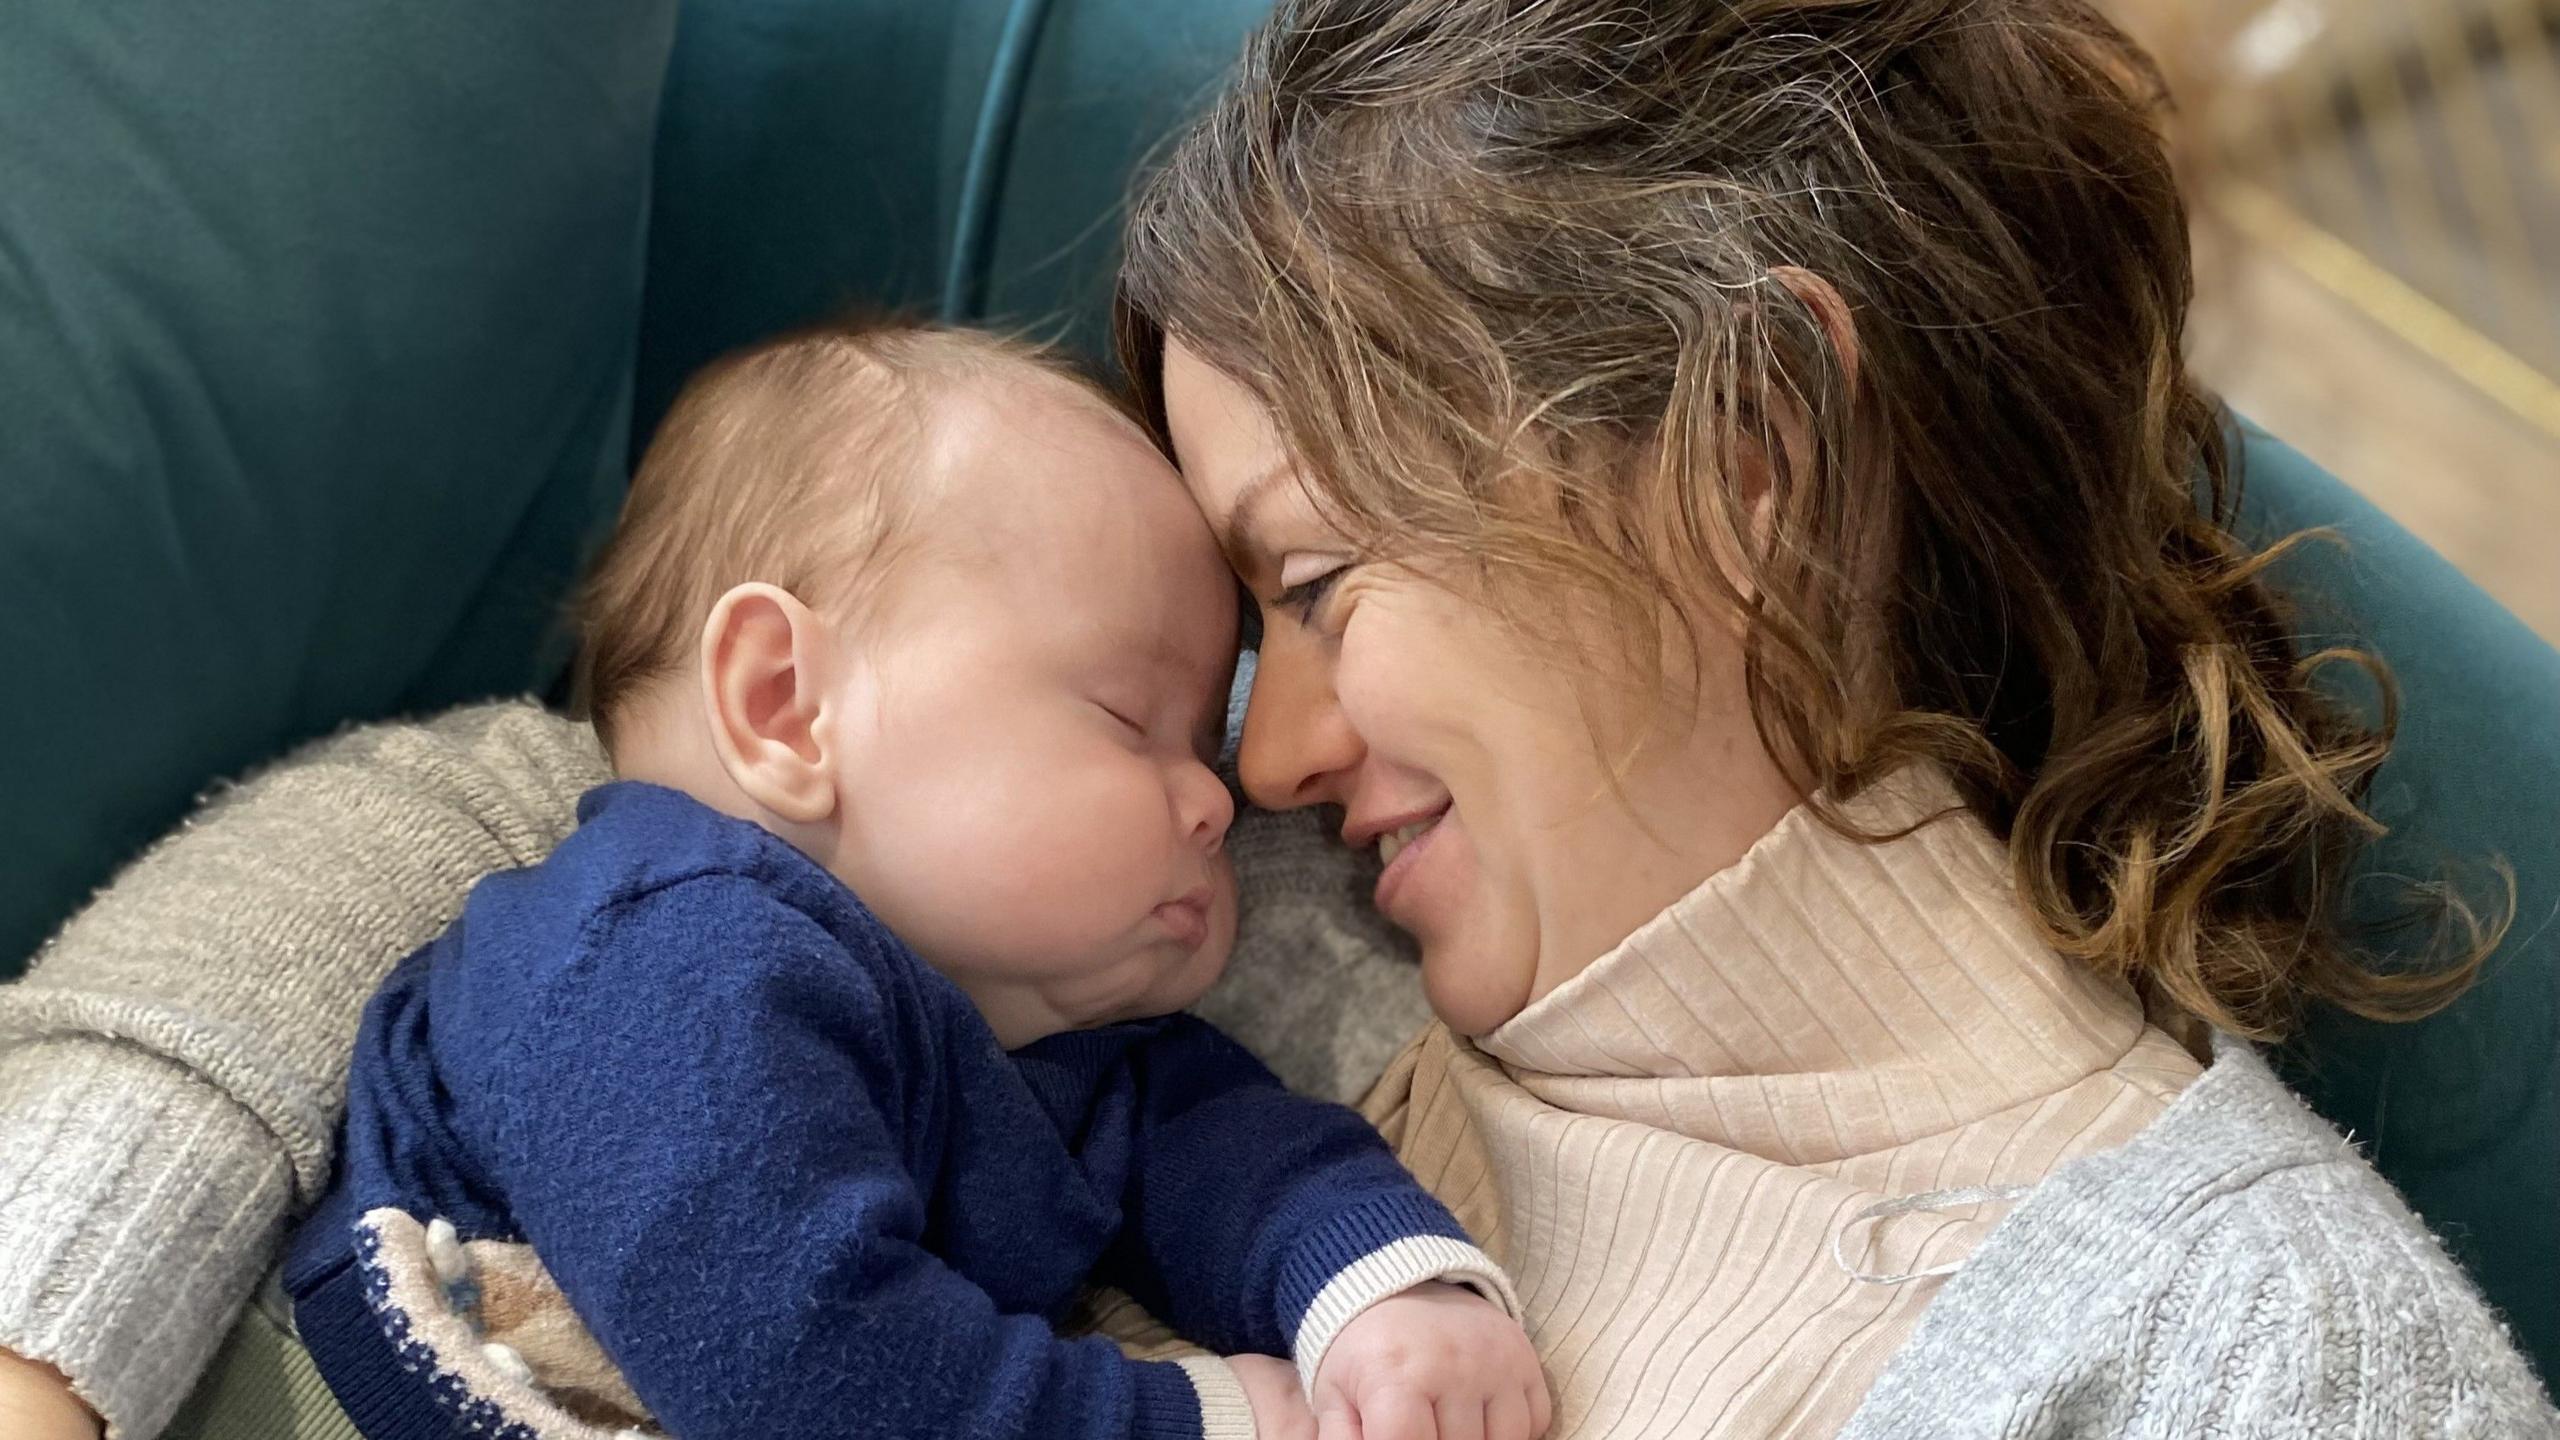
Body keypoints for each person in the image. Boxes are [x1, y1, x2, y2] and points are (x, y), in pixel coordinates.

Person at [1, 1, 2555, 1438]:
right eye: (1222, 644)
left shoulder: (2247, 1352)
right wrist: (55, 1313)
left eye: (1311, 580)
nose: (1269, 746)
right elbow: (533, 817)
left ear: (1740, 460)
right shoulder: (1227, 925)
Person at [280, 319, 1542, 1440]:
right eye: (1126, 718)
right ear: (784, 708)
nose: (1225, 795)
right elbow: (796, 1361)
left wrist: (1379, 1292)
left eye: (1206, 740)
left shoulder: (1049, 1036)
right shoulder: (663, 948)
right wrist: (1188, 1416)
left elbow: (1228, 1151)